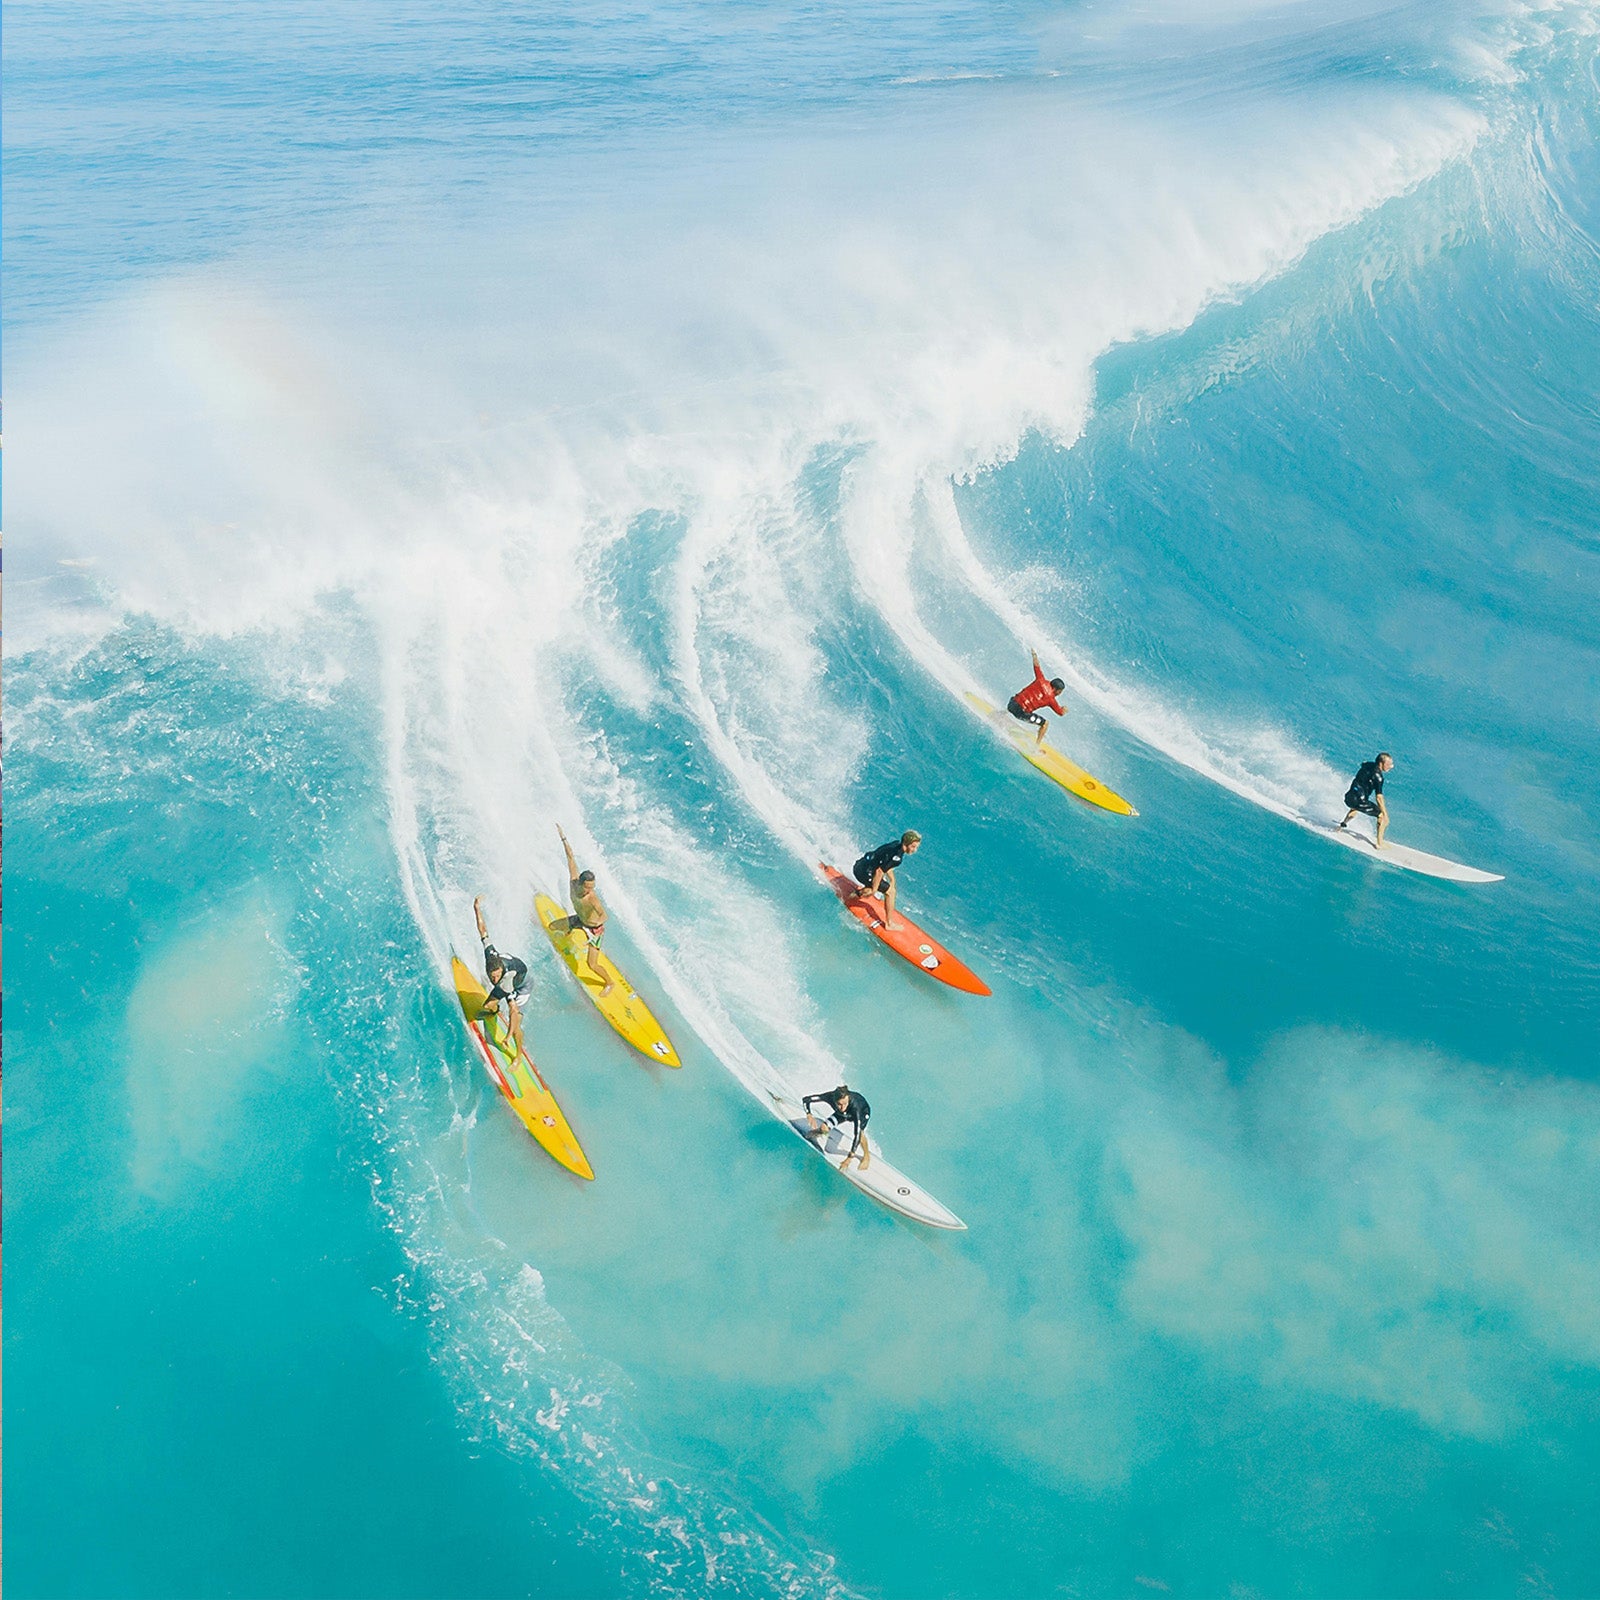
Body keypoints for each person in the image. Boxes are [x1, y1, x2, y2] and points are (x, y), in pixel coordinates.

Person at [557, 825, 612, 996]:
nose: (590, 890)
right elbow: (570, 858)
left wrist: (594, 930)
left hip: (594, 929)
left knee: (592, 964)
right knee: (554, 927)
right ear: (581, 883)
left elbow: (604, 916)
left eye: (593, 887)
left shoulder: (592, 899)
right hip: (579, 919)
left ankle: (609, 983)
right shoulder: (574, 882)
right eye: (588, 887)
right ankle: (569, 932)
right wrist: (563, 838)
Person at [473, 895, 529, 1055]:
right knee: (488, 1006)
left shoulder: (507, 980)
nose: (494, 980)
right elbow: (483, 931)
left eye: (496, 977)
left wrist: (508, 1035)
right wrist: (476, 908)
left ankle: (517, 1055)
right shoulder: (490, 954)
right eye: (492, 977)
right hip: (512, 967)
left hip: (522, 982)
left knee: (516, 1021)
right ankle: (494, 1010)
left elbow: (513, 1010)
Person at [851, 830, 921, 932]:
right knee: (890, 892)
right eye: (913, 846)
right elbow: (880, 871)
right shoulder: (897, 858)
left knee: (886, 887)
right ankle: (889, 924)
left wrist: (892, 881)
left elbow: (886, 865)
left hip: (860, 866)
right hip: (865, 873)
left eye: (916, 847)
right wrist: (874, 890)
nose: (915, 850)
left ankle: (855, 894)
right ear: (906, 843)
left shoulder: (896, 844)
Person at [1006, 649, 1069, 747]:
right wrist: (1064, 710)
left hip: (1011, 705)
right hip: (1021, 713)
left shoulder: (1040, 680)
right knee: (1045, 724)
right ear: (1056, 689)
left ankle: (1000, 714)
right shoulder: (1051, 699)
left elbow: (1036, 666)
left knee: (1017, 698)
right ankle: (1035, 747)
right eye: (1060, 692)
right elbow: (1060, 713)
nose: (1059, 694)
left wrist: (1034, 654)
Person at [803, 1084, 872, 1172]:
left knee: (860, 1134)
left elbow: (857, 1134)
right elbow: (806, 1100)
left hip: (862, 1112)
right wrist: (809, 1114)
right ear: (834, 1100)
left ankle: (867, 1156)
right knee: (824, 1127)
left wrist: (848, 1159)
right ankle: (820, 1133)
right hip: (844, 1114)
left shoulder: (856, 1107)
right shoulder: (829, 1097)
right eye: (839, 1104)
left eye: (845, 1103)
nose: (843, 1107)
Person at [1340, 752, 1395, 847]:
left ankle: (1341, 826)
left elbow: (1363, 764)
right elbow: (1379, 798)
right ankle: (1379, 844)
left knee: (1355, 808)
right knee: (1381, 816)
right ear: (1381, 763)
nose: (1391, 766)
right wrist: (1385, 814)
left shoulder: (1368, 765)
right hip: (1359, 801)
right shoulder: (1379, 777)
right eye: (1389, 764)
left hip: (1349, 797)